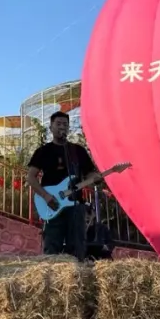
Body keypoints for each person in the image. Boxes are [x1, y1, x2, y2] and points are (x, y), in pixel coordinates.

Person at [26, 111, 103, 260]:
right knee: (52, 246)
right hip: (53, 204)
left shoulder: (78, 151)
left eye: (65, 124)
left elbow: (90, 174)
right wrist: (46, 196)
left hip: (75, 205)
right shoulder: (43, 151)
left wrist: (95, 178)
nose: (62, 127)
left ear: (68, 128)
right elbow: (30, 177)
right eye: (58, 124)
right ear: (51, 128)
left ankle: (76, 270)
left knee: (77, 246)